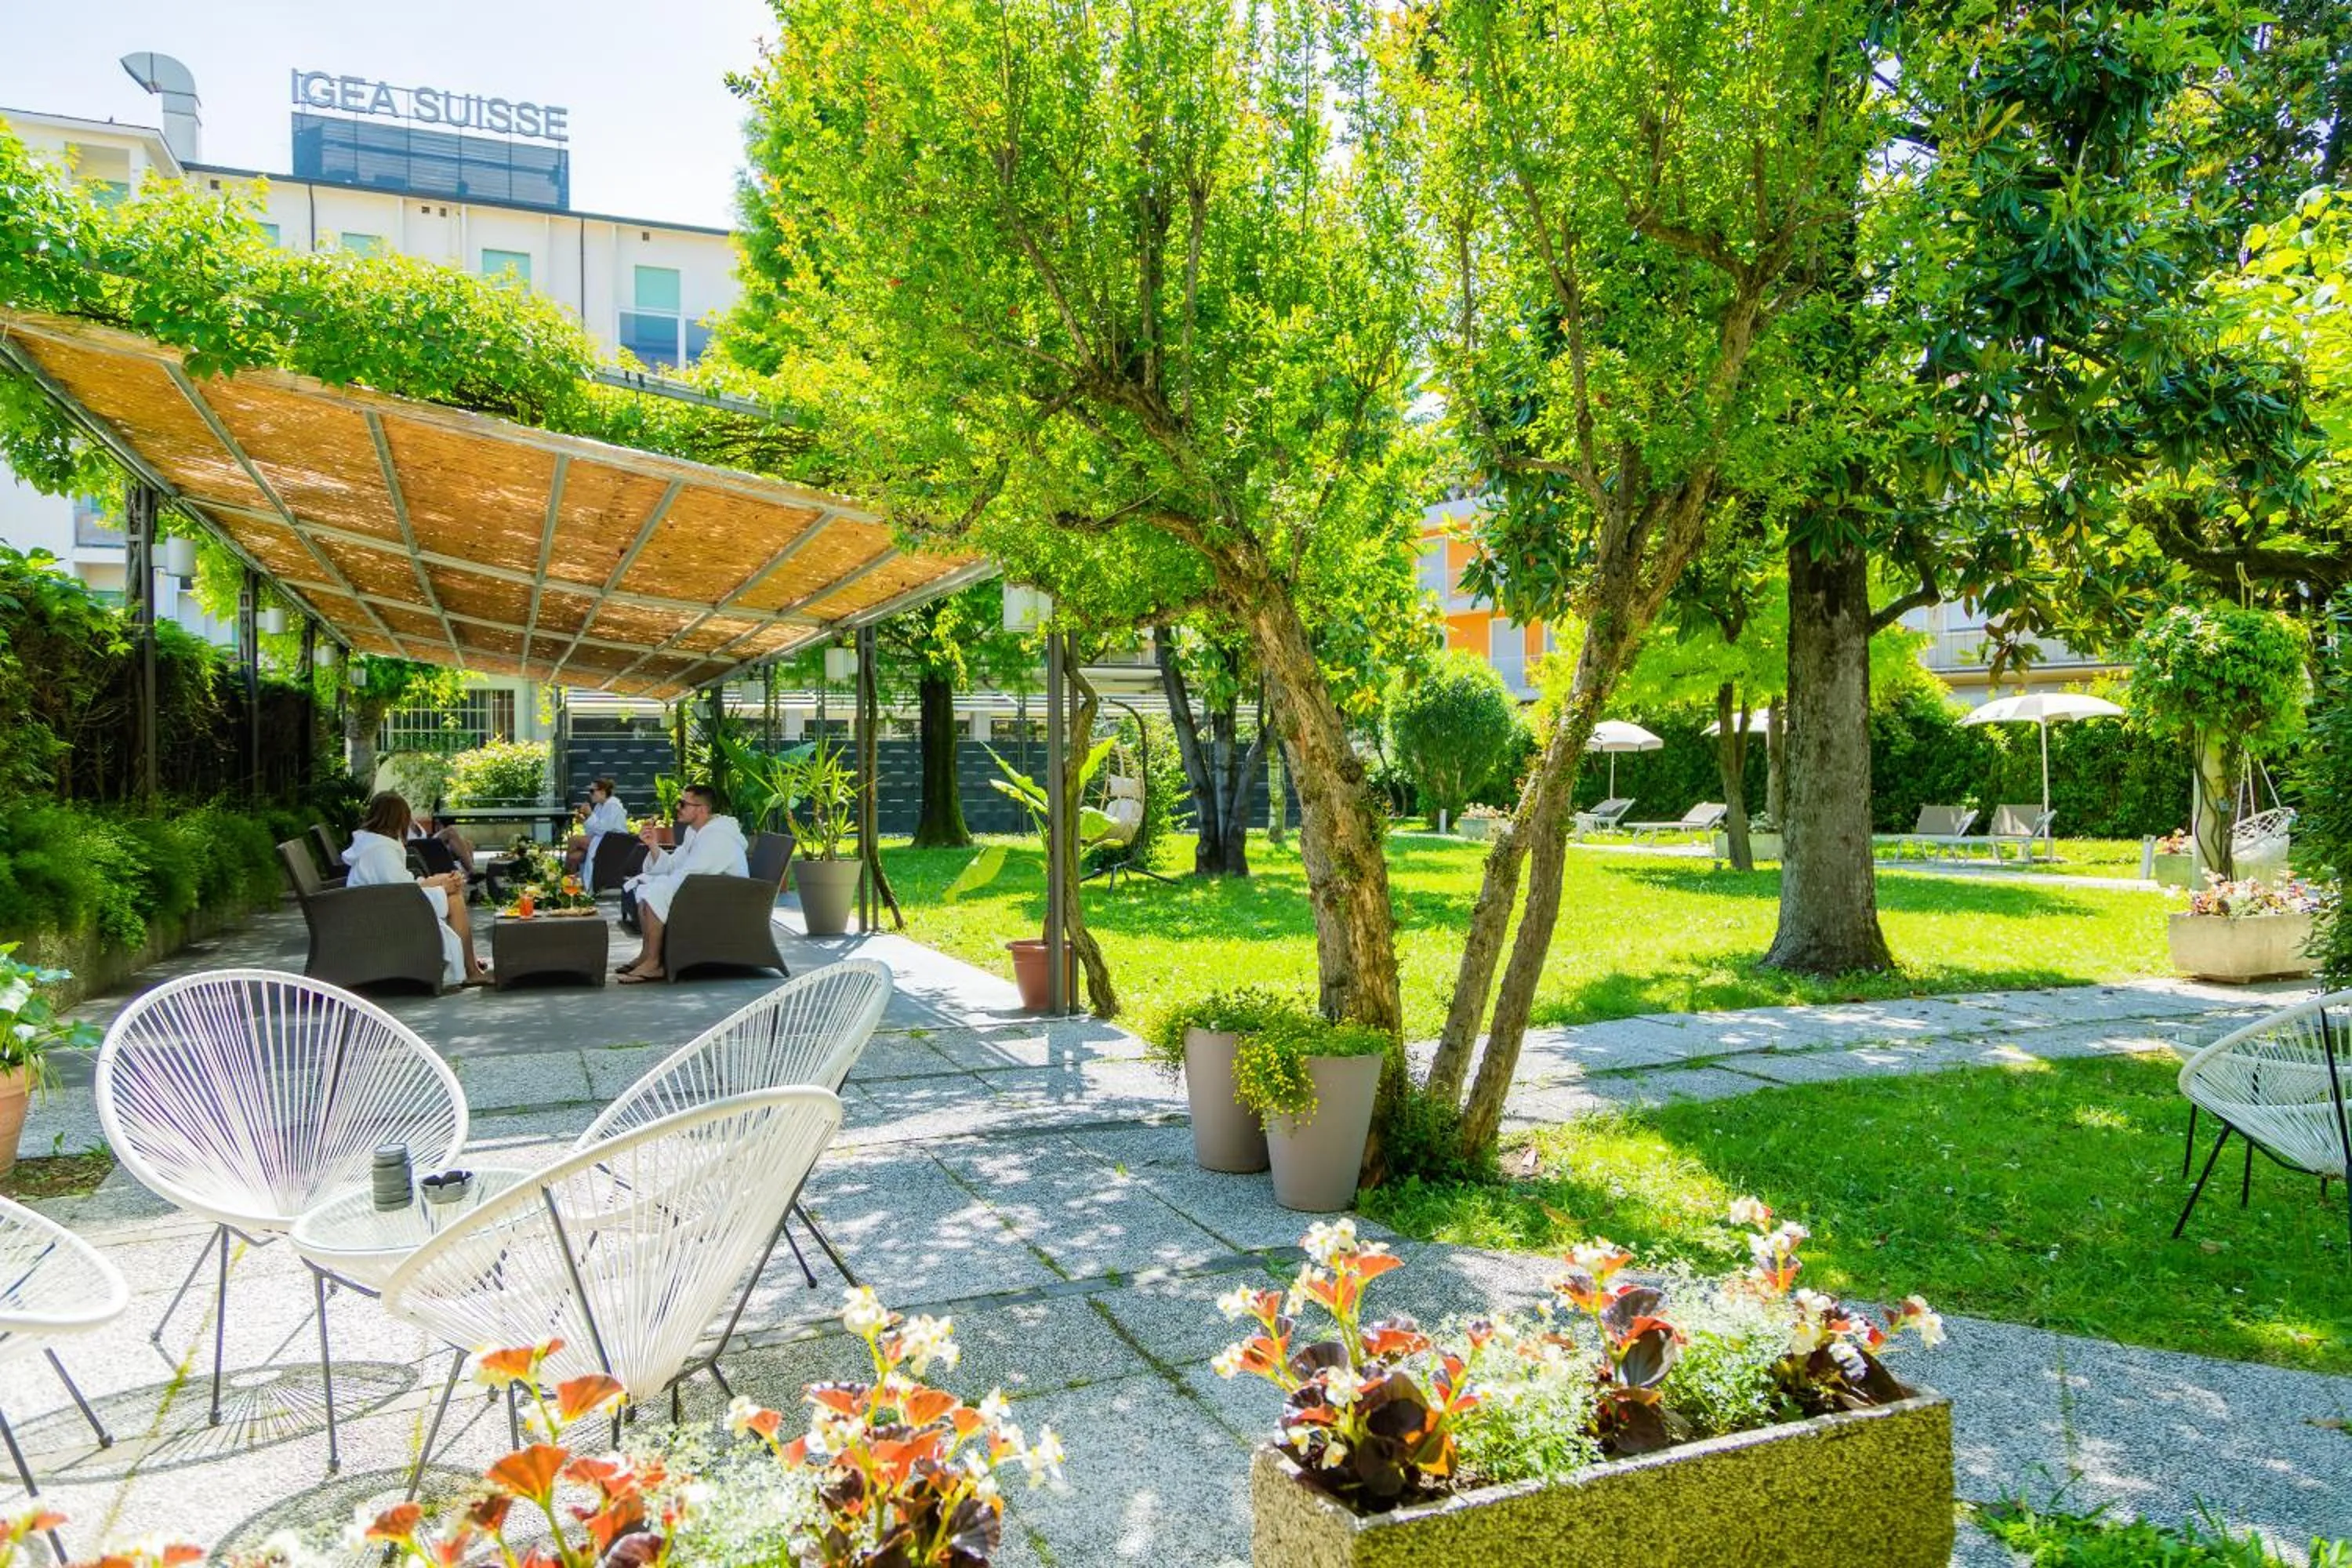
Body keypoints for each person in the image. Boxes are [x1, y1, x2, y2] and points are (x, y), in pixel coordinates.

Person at [343, 792, 492, 987]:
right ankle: (471, 970)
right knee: (454, 898)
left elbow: (399, 885)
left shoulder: (375, 844)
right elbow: (403, 891)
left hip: (381, 905)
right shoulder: (380, 850)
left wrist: (437, 881)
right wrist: (440, 886)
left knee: (451, 891)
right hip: (383, 915)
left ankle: (469, 963)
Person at [616, 784, 746, 983]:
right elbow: (674, 865)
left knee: (656, 891)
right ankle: (647, 955)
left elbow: (691, 874)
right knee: (648, 888)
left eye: (683, 804)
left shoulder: (718, 836)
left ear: (702, 809)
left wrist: (660, 883)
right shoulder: (694, 832)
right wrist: (653, 845)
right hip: (703, 889)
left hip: (725, 902)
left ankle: (654, 964)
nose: (678, 807)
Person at [565, 777, 629, 875]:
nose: (590, 794)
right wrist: (584, 820)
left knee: (574, 840)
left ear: (603, 792)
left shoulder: (613, 806)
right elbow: (592, 831)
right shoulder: (600, 806)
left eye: (592, 791)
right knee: (574, 856)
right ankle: (570, 883)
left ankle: (565, 877)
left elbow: (604, 830)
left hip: (613, 843)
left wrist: (590, 815)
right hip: (602, 839)